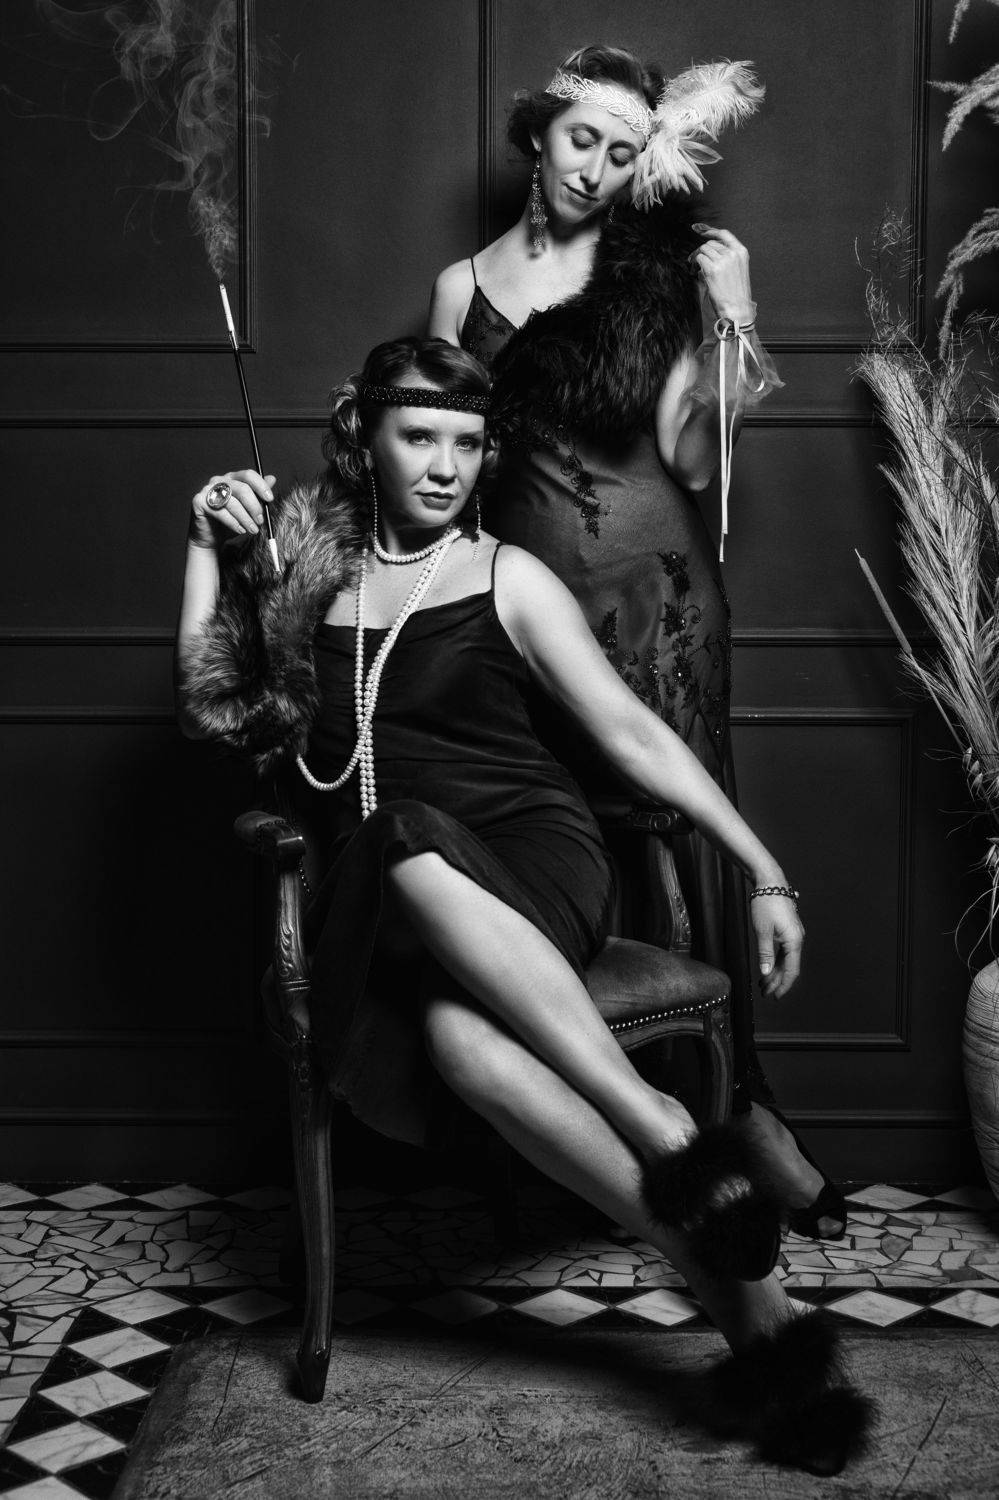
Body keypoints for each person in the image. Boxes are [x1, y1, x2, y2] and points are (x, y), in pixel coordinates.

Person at [175, 337, 870, 1475]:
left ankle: (662, 1124)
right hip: (392, 906)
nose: (445, 467)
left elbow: (633, 733)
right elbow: (210, 711)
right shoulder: (307, 576)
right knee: (458, 1043)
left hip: (534, 868)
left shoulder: (508, 576)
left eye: (465, 443)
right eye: (418, 438)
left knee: (404, 837)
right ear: (363, 438)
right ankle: (758, 1318)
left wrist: (764, 869)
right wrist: (207, 548)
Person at [428, 45, 845, 1239]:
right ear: (539, 135)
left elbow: (694, 457)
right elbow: (439, 458)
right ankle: (607, 1128)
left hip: (653, 591)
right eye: (582, 142)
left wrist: (735, 318)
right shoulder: (461, 288)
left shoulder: (650, 276)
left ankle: (736, 1113)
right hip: (520, 601)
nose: (596, 171)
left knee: (681, 832)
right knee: (560, 829)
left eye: (623, 154)